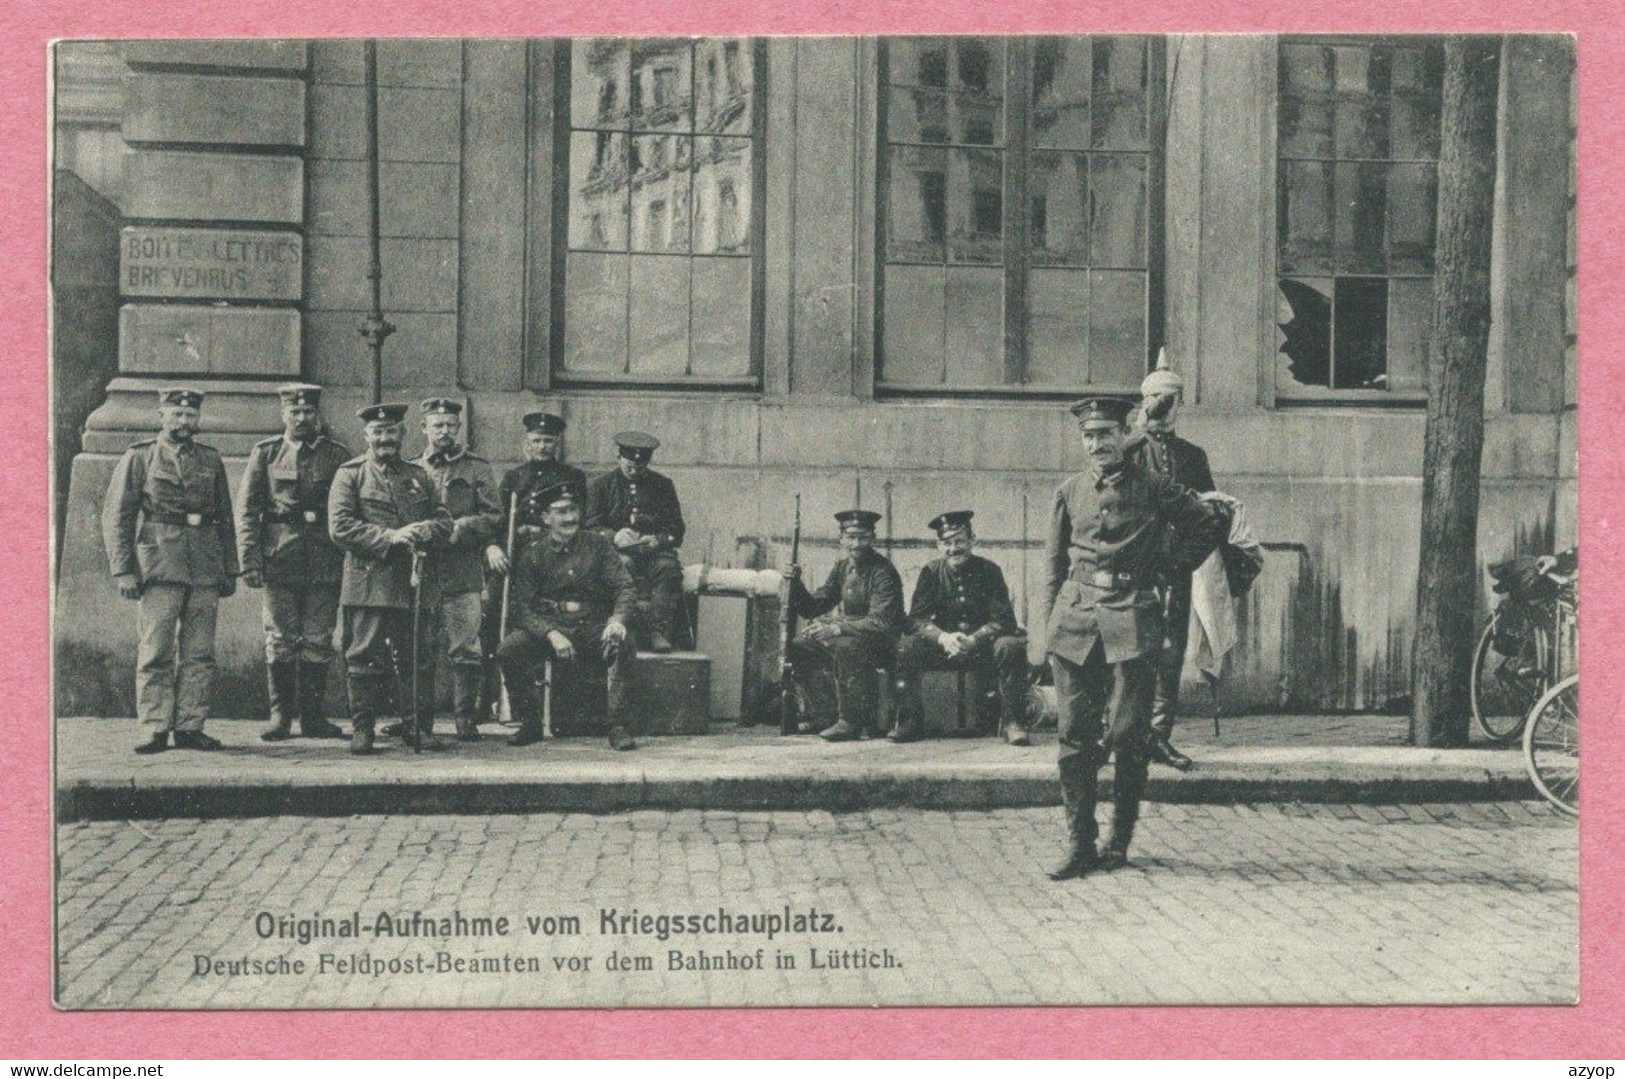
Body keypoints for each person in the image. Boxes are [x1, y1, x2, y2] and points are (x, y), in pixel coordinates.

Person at [1044, 397, 1223, 880]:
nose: (1097, 444)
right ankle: (1080, 844)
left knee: (1127, 735)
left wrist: (1167, 566)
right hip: (1075, 623)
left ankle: (1118, 841)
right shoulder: (1070, 490)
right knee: (1074, 737)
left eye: (1105, 434)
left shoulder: (1155, 487)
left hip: (1133, 623)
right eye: (1088, 436)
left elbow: (1208, 523)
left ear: (1126, 435)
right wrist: (1045, 634)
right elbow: (1054, 567)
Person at [102, 387, 239, 754]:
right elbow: (117, 515)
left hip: (205, 566)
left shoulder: (210, 460)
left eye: (190, 415)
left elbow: (224, 516)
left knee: (199, 652)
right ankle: (155, 726)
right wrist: (123, 570)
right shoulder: (141, 457)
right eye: (176, 414)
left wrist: (230, 567)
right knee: (156, 649)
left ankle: (190, 725)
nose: (183, 421)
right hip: (160, 564)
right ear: (161, 415)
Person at [327, 403, 454, 755]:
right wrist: (390, 537)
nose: (385, 438)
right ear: (366, 435)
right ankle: (363, 730)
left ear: (403, 434)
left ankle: (416, 729)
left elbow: (444, 522)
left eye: (391, 431)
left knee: (416, 657)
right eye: (377, 432)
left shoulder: (419, 476)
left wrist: (425, 528)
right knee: (363, 656)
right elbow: (340, 527)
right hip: (368, 582)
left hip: (412, 581)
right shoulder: (350, 474)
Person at [235, 383, 350, 742]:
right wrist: (250, 561)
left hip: (324, 560)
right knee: (280, 638)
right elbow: (249, 510)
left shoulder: (337, 455)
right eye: (295, 412)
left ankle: (314, 718)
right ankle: (281, 717)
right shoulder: (266, 454)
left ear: (317, 415)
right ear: (284, 414)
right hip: (279, 558)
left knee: (318, 638)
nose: (302, 418)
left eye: (308, 412)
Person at [497, 479, 638, 750]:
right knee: (509, 650)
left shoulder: (599, 546)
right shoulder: (533, 554)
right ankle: (530, 723)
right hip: (550, 625)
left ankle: (618, 726)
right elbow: (522, 608)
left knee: (624, 644)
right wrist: (550, 633)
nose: (570, 517)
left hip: (592, 625)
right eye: (561, 511)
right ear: (545, 517)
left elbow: (624, 587)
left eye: (573, 509)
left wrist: (617, 621)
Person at [1124, 349, 1214, 772]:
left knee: (1170, 653)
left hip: (1175, 571)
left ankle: (1158, 737)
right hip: (1134, 572)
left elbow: (1212, 516)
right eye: (1155, 399)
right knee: (1132, 654)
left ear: (1180, 404)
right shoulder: (1127, 452)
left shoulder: (1194, 457)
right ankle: (1127, 736)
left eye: (1170, 399)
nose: (1162, 408)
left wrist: (1185, 561)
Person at [479, 410, 586, 721]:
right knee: (492, 615)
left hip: (554, 563)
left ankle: (546, 707)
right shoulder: (514, 478)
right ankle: (489, 700)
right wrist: (492, 546)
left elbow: (579, 524)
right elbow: (496, 520)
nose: (542, 446)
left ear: (557, 443)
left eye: (548, 440)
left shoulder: (572, 478)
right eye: (537, 440)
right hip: (513, 563)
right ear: (526, 442)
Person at [891, 510, 1031, 746]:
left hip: (981, 649)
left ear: (972, 540)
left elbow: (1005, 620)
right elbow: (915, 620)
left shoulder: (990, 571)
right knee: (907, 646)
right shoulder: (931, 572)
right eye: (947, 543)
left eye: (959, 541)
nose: (953, 549)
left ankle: (1012, 722)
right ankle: (909, 721)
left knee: (1011, 646)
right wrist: (942, 637)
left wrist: (974, 639)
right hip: (944, 648)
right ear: (938, 545)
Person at [412, 398, 502, 742]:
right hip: (424, 573)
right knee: (423, 648)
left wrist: (461, 528)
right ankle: (421, 722)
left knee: (466, 648)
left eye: (450, 425)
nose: (445, 431)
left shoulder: (477, 468)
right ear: (424, 429)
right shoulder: (413, 469)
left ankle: (465, 718)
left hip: (463, 571)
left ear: (458, 428)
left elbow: (493, 516)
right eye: (438, 425)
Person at [788, 509, 906, 743]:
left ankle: (851, 721)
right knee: (800, 647)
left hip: (882, 645)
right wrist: (796, 583)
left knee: (845, 646)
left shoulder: (883, 572)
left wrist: (836, 628)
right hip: (851, 639)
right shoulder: (842, 568)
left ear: (873, 538)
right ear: (841, 538)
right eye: (851, 537)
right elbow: (814, 607)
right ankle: (823, 714)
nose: (857, 543)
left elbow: (880, 622)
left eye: (863, 537)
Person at [585, 431, 685, 653]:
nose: (635, 470)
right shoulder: (599, 486)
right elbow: (589, 526)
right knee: (623, 564)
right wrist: (613, 537)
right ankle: (624, 627)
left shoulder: (663, 485)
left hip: (654, 554)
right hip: (614, 552)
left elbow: (677, 529)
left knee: (668, 568)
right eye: (630, 464)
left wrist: (657, 540)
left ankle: (657, 629)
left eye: (641, 465)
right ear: (618, 457)